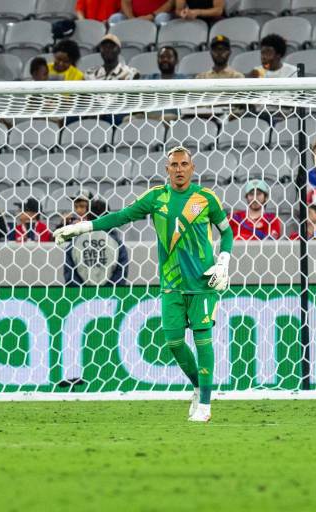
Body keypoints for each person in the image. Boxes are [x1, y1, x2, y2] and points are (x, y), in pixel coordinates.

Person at [53, 146, 234, 423]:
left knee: (203, 341)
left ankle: (206, 405)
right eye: (174, 164)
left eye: (184, 164)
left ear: (192, 168)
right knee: (174, 342)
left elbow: (227, 231)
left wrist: (223, 260)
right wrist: (82, 227)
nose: (179, 169)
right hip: (171, 284)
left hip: (202, 283)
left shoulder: (205, 198)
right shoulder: (156, 198)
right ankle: (198, 386)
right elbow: (120, 217)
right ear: (167, 169)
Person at [63, 197, 129, 286]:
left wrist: (81, 292)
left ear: (88, 216)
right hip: (110, 296)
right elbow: (121, 272)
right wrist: (109, 291)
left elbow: (70, 273)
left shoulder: (76, 242)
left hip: (81, 297)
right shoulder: (116, 243)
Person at [109, 0, 174, 25]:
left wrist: (151, 16)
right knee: (116, 18)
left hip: (156, 16)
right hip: (133, 18)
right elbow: (125, 2)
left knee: (162, 17)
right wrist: (131, 18)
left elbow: (171, 2)